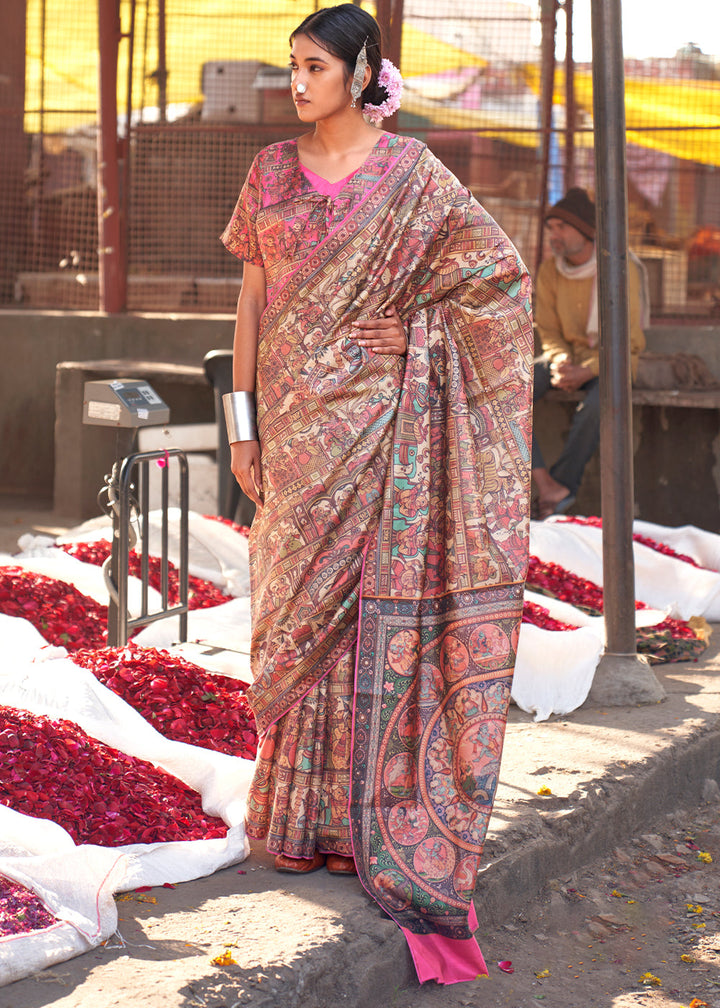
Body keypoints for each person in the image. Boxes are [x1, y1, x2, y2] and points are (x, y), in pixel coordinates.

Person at [220, 3, 533, 986]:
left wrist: (424, 334)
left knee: (362, 624)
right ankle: (296, 820)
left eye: (313, 65)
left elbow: (497, 285)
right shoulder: (270, 170)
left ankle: (363, 825)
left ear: (362, 75)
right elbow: (251, 304)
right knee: (287, 625)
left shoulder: (415, 178)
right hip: (291, 443)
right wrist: (241, 429)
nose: (297, 81)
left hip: (378, 438)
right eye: (293, 65)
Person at [531, 187, 647, 519]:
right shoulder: (549, 271)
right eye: (550, 228)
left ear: (585, 231)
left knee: (599, 405)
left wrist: (590, 368)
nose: (553, 235)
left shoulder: (618, 267)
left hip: (614, 360)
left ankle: (565, 484)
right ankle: (545, 483)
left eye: (561, 228)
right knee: (508, 390)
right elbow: (548, 329)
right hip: (567, 361)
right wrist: (559, 361)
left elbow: (630, 339)